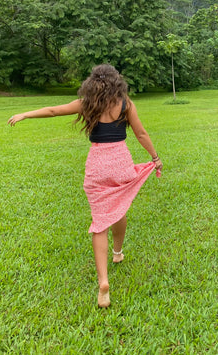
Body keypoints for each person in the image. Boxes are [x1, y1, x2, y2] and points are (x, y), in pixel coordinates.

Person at [8, 63, 162, 308]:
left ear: (92, 83)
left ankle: (103, 282)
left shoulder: (87, 104)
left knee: (99, 221)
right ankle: (118, 253)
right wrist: (155, 158)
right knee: (119, 208)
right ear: (117, 82)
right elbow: (141, 134)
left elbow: (52, 110)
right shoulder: (125, 103)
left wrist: (25, 114)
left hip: (98, 163)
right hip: (121, 161)